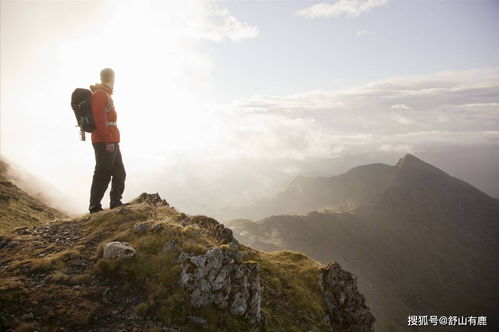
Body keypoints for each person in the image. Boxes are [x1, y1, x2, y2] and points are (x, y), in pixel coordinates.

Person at [88, 68, 129, 213]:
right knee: (103, 173)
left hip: (111, 139)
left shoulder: (104, 94)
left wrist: (111, 140)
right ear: (113, 78)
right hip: (105, 141)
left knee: (119, 173)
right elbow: (100, 120)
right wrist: (108, 141)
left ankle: (116, 202)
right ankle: (94, 206)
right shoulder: (100, 95)